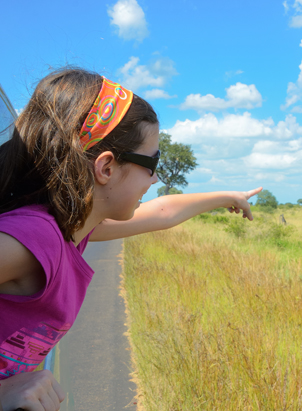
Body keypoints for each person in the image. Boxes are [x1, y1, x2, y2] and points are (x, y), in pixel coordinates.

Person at [0, 68, 261, 411]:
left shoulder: (71, 229)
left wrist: (228, 196)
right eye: (151, 163)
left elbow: (162, 212)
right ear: (106, 168)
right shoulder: (38, 236)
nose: (155, 180)